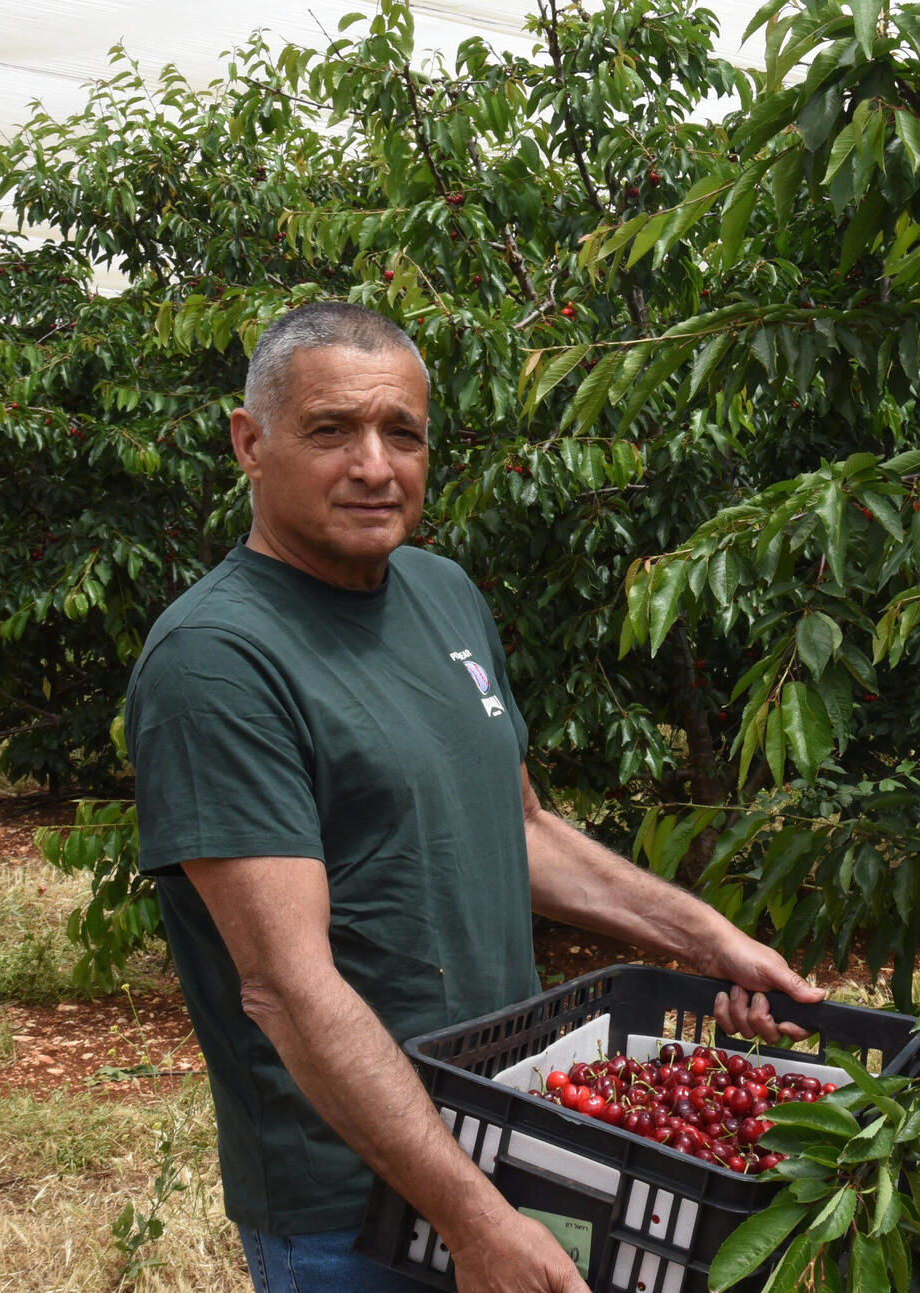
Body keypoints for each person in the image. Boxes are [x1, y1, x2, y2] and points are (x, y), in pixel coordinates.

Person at [125, 302, 823, 1293]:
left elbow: (522, 827)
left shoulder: (441, 592)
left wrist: (704, 938)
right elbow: (286, 984)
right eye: (332, 430)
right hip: (355, 1207)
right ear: (251, 442)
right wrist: (470, 1218)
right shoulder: (218, 662)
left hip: (505, 1137)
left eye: (401, 433)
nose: (376, 466)